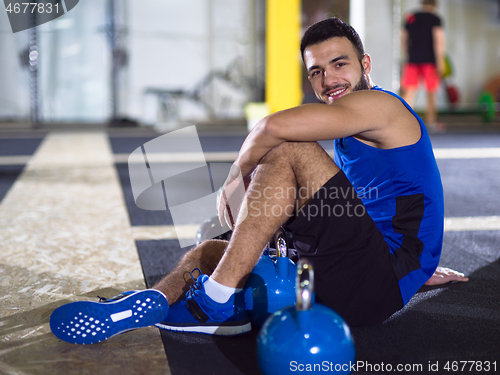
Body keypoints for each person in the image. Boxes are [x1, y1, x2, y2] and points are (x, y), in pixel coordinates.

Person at [50, 17, 468, 345]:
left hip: (377, 280)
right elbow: (376, 205)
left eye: (339, 64)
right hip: (360, 268)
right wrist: (422, 268)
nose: (328, 80)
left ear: (365, 64)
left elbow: (270, 126)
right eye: (316, 72)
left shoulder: (381, 107)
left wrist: (235, 180)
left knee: (291, 151)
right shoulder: (349, 132)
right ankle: (158, 302)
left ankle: (214, 302)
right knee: (211, 252)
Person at [401, 0, 446, 132]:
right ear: (434, 5)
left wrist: (407, 54)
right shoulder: (435, 18)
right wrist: (440, 61)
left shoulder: (411, 17)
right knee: (431, 92)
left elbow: (403, 38)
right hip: (430, 61)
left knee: (409, 92)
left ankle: (404, 122)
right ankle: (431, 122)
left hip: (412, 60)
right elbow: (439, 40)